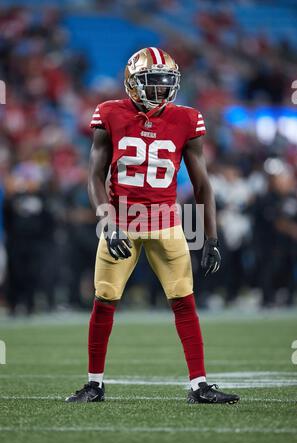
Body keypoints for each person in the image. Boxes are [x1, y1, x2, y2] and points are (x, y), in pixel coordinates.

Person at [66, 47, 239, 404]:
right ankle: (94, 384)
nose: (160, 91)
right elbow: (94, 176)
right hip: (122, 221)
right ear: (132, 83)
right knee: (105, 297)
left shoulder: (187, 118)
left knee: (184, 299)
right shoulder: (109, 112)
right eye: (152, 83)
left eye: (165, 83)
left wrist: (211, 237)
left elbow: (203, 184)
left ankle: (199, 385)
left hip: (166, 222)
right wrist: (107, 220)